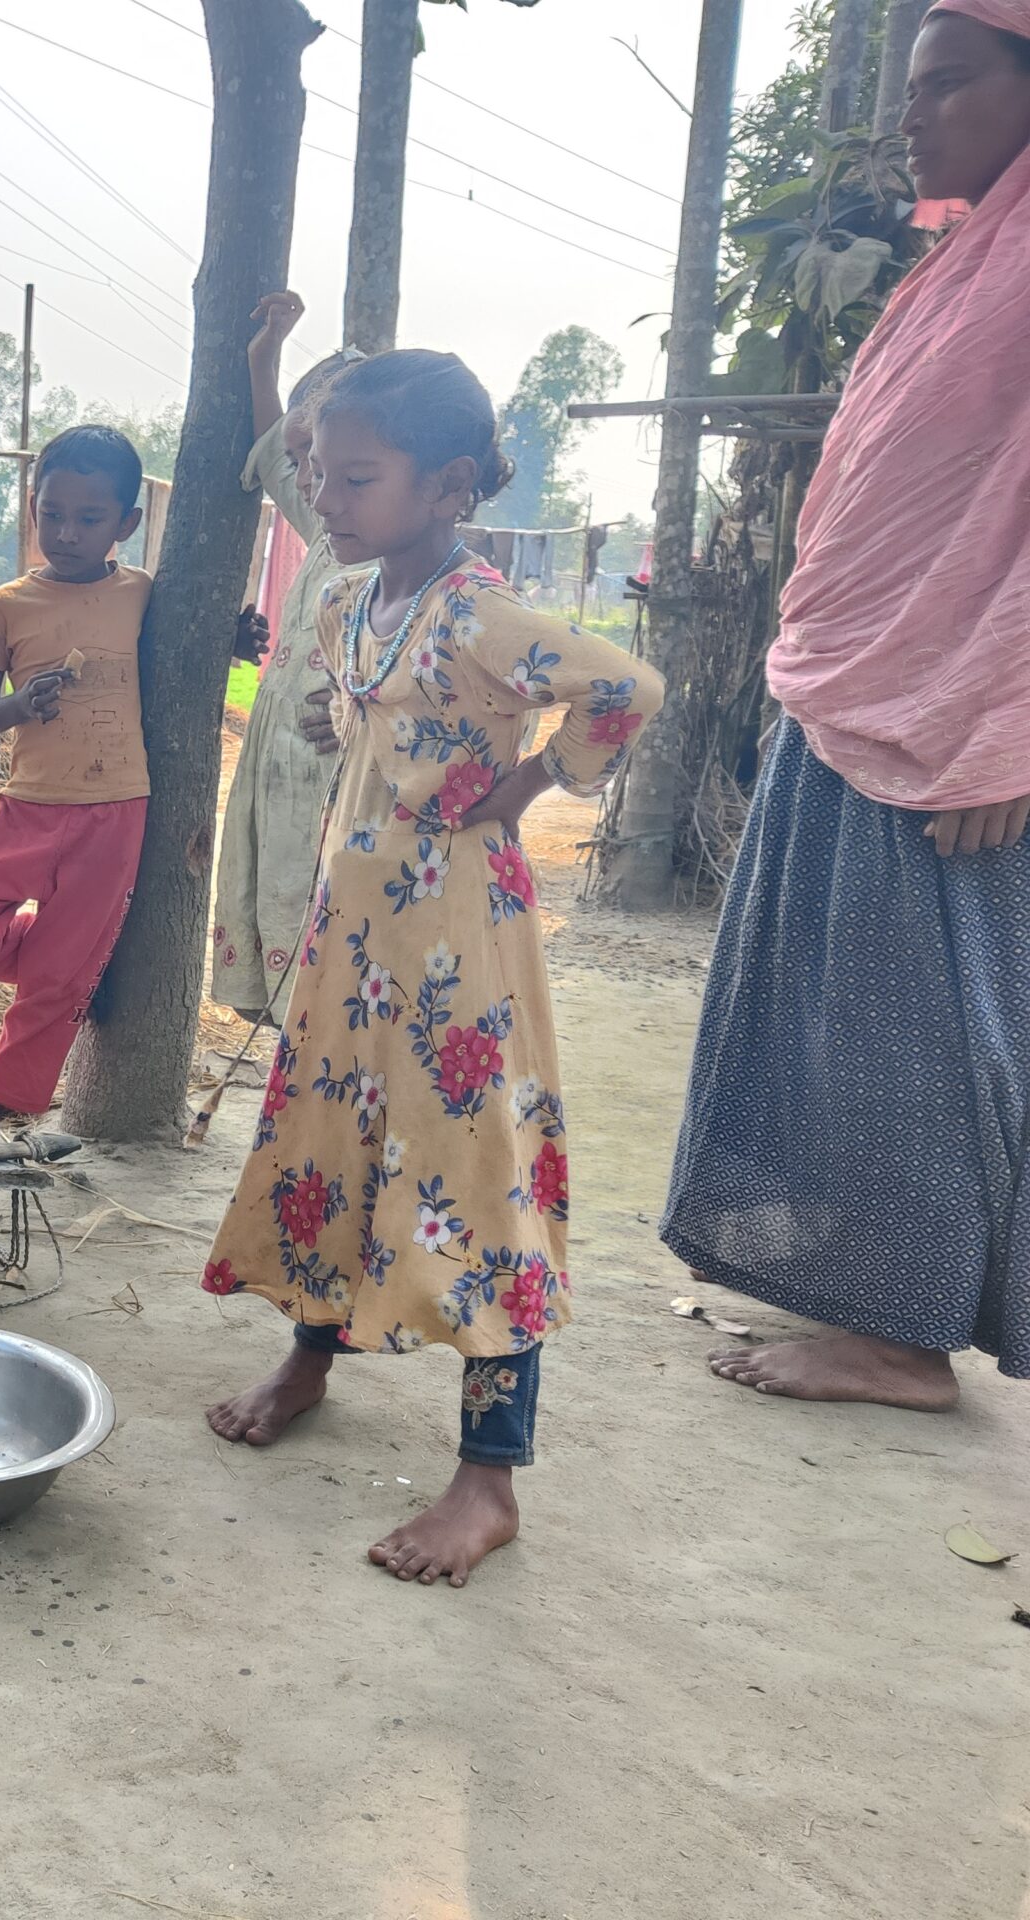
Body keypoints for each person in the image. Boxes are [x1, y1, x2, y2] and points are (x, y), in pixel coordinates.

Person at [196, 351, 664, 1589]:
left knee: (470, 1171)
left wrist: (532, 781)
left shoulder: (479, 607)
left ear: (449, 485)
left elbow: (625, 685)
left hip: (457, 938)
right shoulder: (361, 597)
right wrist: (338, 725)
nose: (328, 498)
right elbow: (375, 711)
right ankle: (311, 1356)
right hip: (351, 935)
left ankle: (487, 1477)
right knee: (328, 1136)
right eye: (315, 473)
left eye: (355, 476)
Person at [663, 0, 1030, 1412]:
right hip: (864, 679)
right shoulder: (965, 263)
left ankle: (903, 1336)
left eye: (947, 84)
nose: (914, 116)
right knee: (822, 1000)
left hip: (963, 716)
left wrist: (1017, 716)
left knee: (908, 1025)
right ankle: (859, 1286)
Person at [0, 426, 154, 1142]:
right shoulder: (8, 604)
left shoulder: (144, 595)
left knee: (53, 981)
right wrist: (20, 705)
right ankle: (76, 964)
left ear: (126, 524)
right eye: (52, 513)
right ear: (31, 507)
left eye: (89, 518)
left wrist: (238, 634)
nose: (66, 532)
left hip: (116, 812)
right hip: (27, 808)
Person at [212, 291, 361, 1024]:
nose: (308, 478)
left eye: (329, 463)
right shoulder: (329, 524)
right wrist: (264, 356)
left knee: (330, 976)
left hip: (339, 780)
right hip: (280, 770)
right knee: (277, 940)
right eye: (305, 461)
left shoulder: (418, 572)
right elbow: (275, 443)